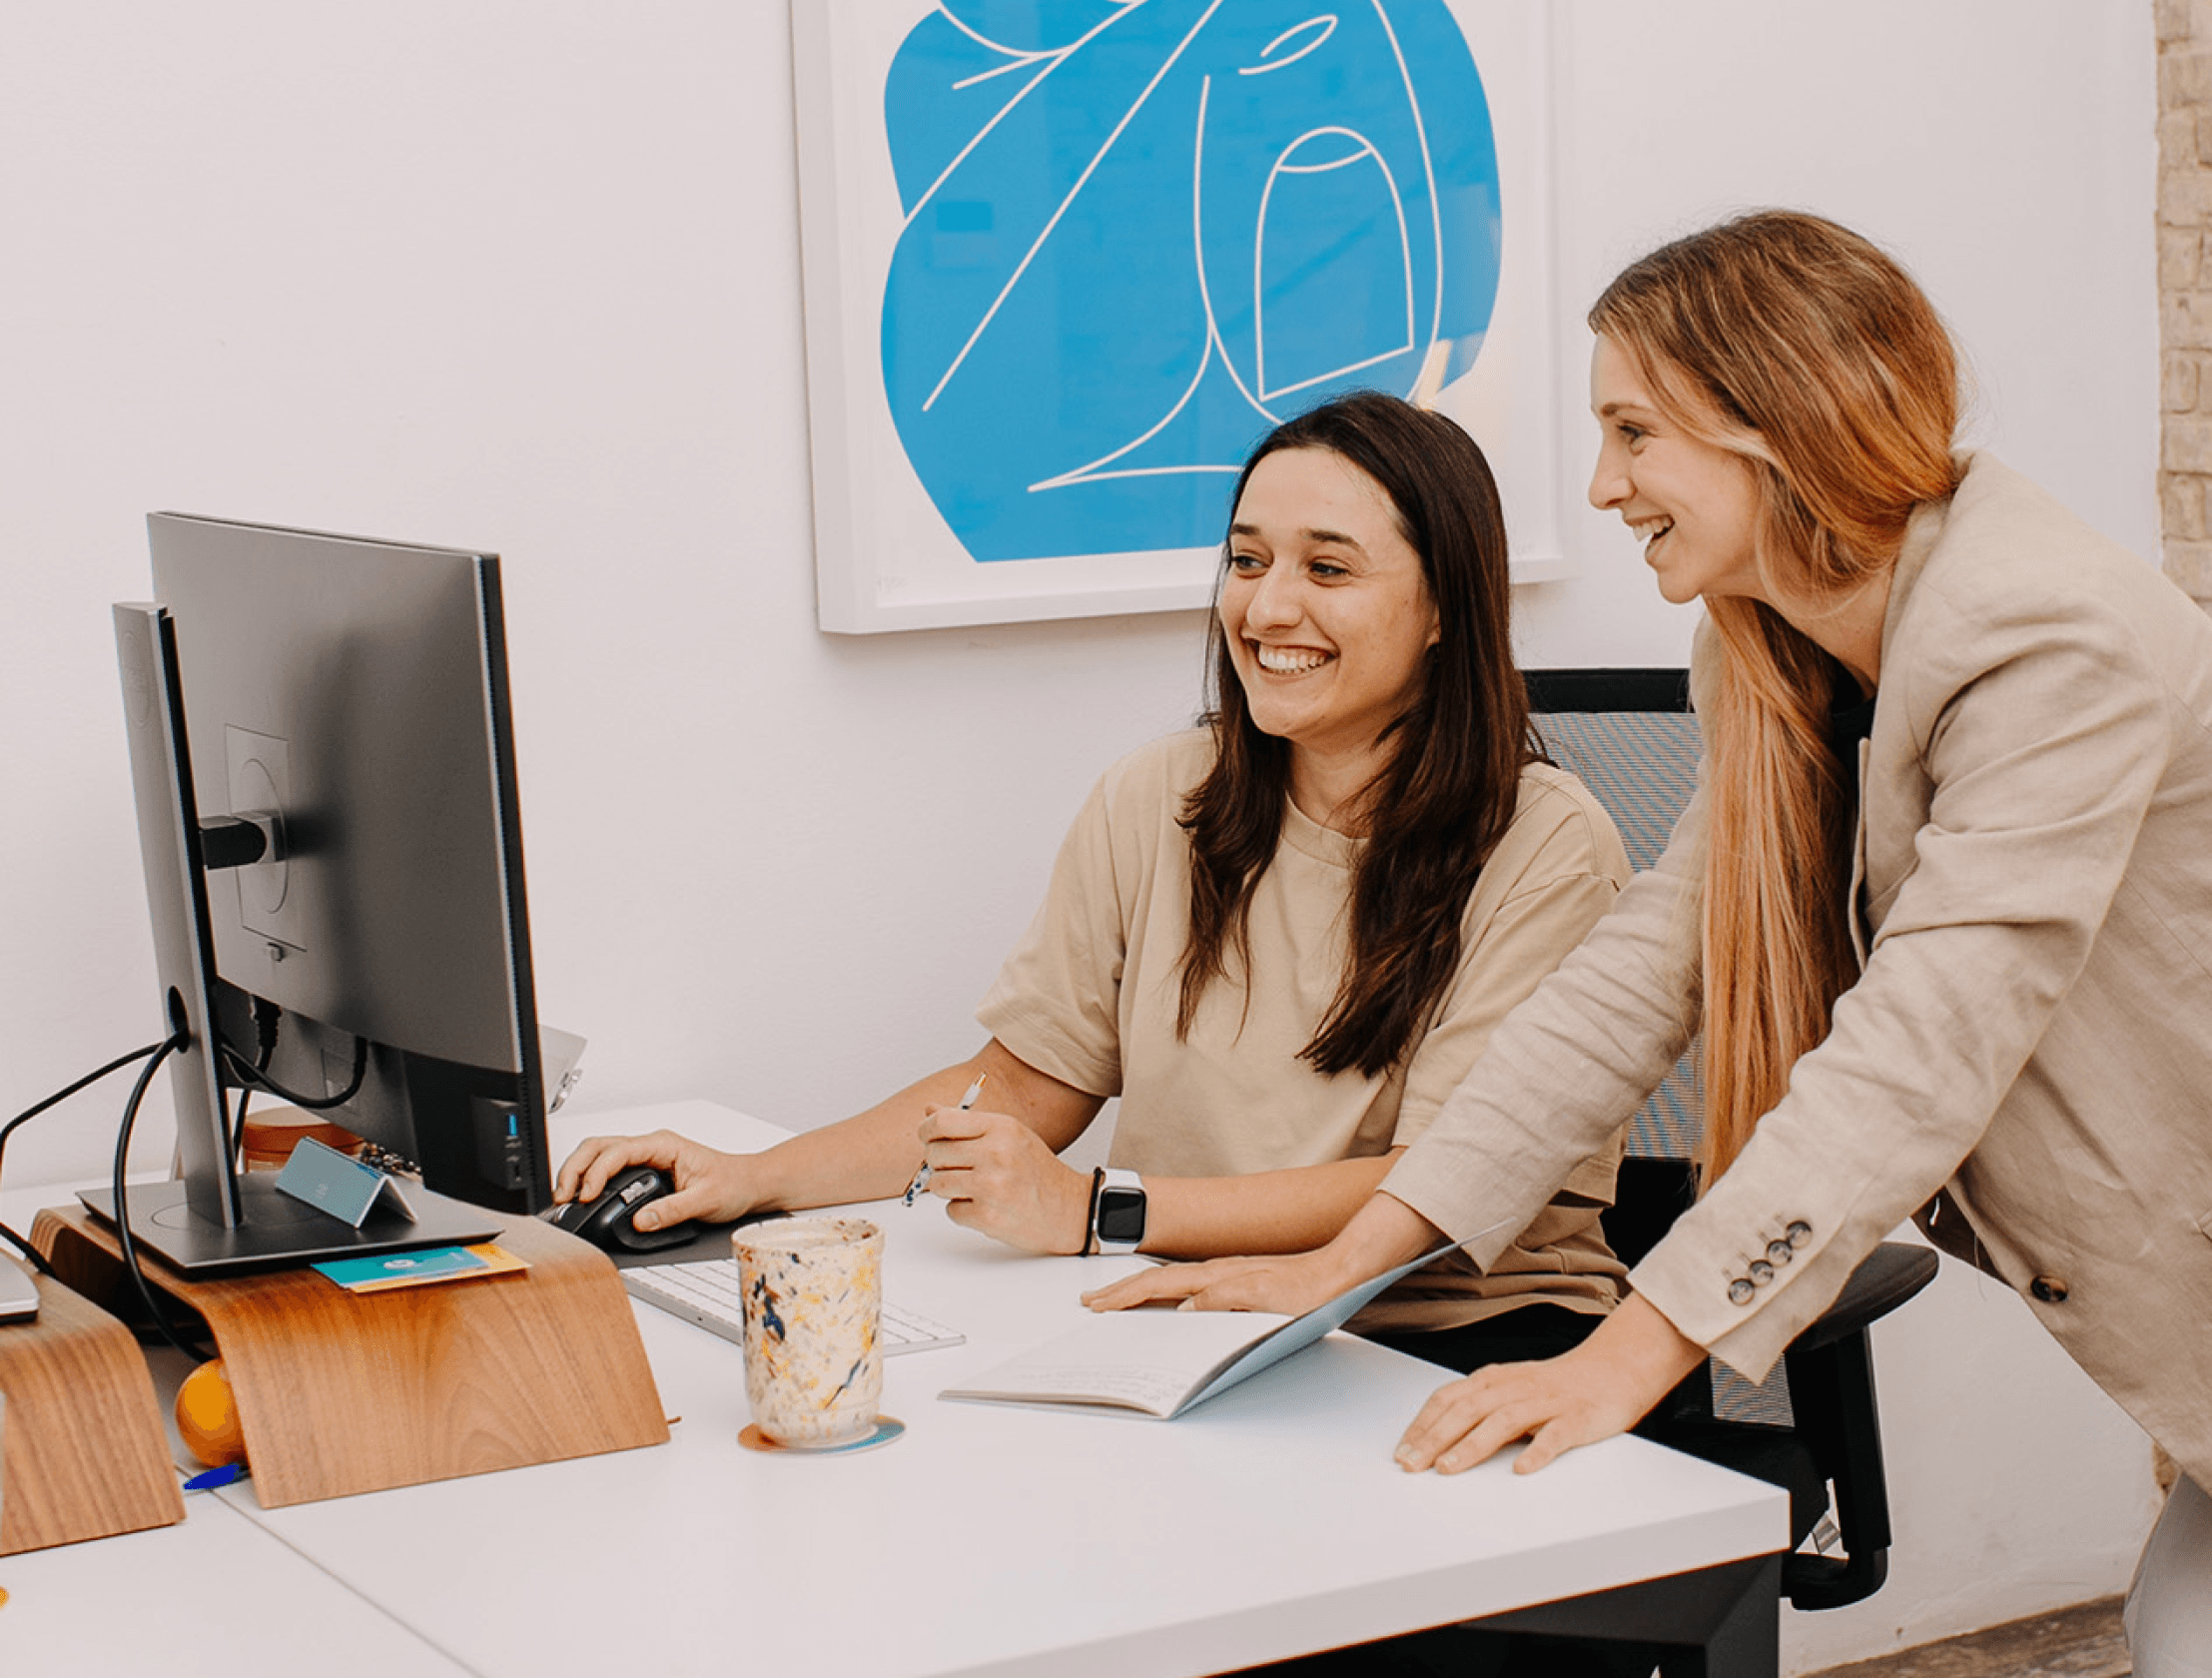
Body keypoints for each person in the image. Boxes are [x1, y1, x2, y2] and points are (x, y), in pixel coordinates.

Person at [1087, 212, 2212, 1676]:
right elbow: (1640, 974)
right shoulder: (1774, 641)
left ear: (1775, 424)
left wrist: (1633, 1355)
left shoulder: (2040, 640)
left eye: (1636, 432)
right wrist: (1344, 1263)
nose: (1607, 484)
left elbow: (1924, 1042)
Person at [555, 390, 1636, 1357]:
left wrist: (1096, 1212)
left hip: (1450, 1336)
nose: (1266, 612)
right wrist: (755, 1179)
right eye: (1248, 562)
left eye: (1328, 568)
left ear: (1446, 608)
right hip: (1189, 1311)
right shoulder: (1161, 793)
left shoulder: (1545, 846)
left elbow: (1440, 1178)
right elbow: (1026, 1084)